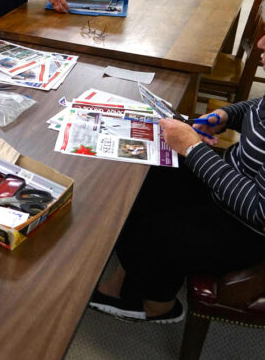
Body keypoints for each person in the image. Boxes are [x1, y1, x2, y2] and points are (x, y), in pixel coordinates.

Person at [89, 25, 265, 323]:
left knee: (159, 232)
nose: (260, 43)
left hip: (248, 228)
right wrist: (224, 116)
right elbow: (257, 107)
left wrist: (194, 150)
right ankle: (132, 271)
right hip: (231, 188)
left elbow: (260, 210)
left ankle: (160, 305)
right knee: (148, 177)